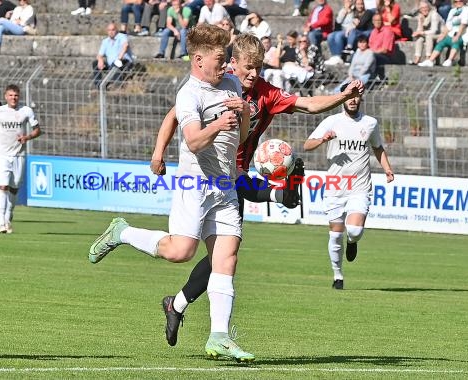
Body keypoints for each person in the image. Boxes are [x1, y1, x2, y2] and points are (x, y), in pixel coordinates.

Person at [152, 33, 365, 347]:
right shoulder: (213, 83)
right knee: (204, 251)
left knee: (220, 259)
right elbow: (174, 115)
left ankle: (181, 308)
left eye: (259, 68)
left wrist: (341, 95)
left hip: (233, 175)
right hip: (209, 175)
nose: (253, 74)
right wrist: (159, 153)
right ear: (233, 63)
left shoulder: (265, 92)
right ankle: (282, 194)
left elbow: (308, 104)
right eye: (248, 67)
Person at [88, 24, 256, 363]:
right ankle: (123, 231)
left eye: (226, 60)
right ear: (198, 60)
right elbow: (193, 141)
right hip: (194, 185)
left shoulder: (232, 84)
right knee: (181, 252)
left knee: (226, 258)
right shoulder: (188, 95)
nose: (226, 66)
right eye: (220, 60)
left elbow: (241, 139)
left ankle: (219, 336)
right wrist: (218, 124)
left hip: (224, 184)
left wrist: (245, 115)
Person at [304, 82, 394, 290]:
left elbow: (378, 148)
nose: (353, 100)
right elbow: (307, 145)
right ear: (343, 97)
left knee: (353, 230)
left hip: (359, 186)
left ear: (361, 98)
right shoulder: (331, 121)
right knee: (335, 234)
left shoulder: (370, 123)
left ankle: (352, 243)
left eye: (356, 96)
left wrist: (387, 169)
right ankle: (338, 276)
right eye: (350, 96)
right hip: (335, 187)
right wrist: (323, 139)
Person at [0, 84, 41, 234]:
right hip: (2, 155)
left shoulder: (26, 111)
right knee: (2, 186)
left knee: (14, 188)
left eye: (15, 95)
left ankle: (8, 216)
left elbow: (37, 130)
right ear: (6, 96)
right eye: (10, 95)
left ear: (19, 96)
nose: (13, 98)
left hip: (19, 155)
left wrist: (27, 137)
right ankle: (1, 222)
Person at [418, 0, 468, 67]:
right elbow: (448, 25)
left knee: (456, 41)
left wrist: (458, 35)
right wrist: (443, 35)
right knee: (441, 42)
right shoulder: (452, 11)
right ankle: (430, 60)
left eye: (460, 1)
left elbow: (463, 24)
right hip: (453, 32)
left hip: (464, 32)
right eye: (456, 1)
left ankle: (450, 60)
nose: (458, 3)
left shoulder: (467, 10)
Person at [93, 22, 134, 87]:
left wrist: (119, 59)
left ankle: (116, 85)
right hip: (111, 65)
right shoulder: (105, 41)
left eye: (113, 30)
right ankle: (98, 85)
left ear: (116, 30)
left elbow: (125, 46)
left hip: (124, 62)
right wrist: (100, 60)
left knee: (116, 63)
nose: (111, 32)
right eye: (109, 30)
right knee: (95, 63)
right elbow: (99, 55)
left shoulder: (122, 36)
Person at [325, 0, 356, 66]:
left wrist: (351, 11)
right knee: (330, 36)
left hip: (350, 31)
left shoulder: (355, 10)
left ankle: (339, 55)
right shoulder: (342, 10)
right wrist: (345, 11)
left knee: (338, 36)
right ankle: (334, 56)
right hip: (342, 30)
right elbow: (338, 21)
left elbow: (355, 22)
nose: (348, 2)